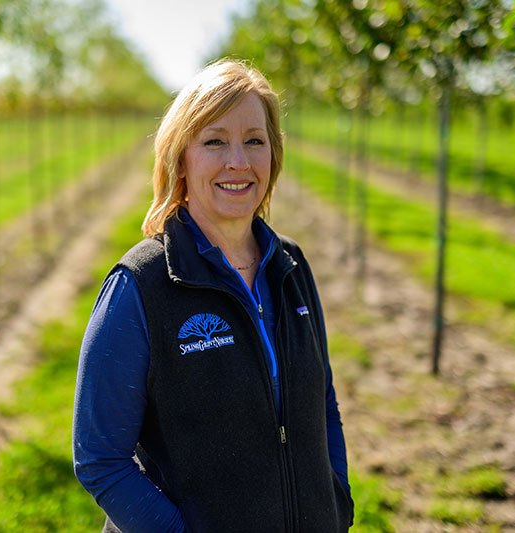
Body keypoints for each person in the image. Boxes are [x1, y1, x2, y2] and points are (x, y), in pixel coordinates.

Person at [72, 59, 353, 532]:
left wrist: (336, 502)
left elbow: (321, 400)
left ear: (273, 155)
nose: (238, 162)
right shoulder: (141, 284)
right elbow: (100, 458)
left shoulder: (291, 267)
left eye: (254, 141)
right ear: (181, 157)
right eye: (215, 141)